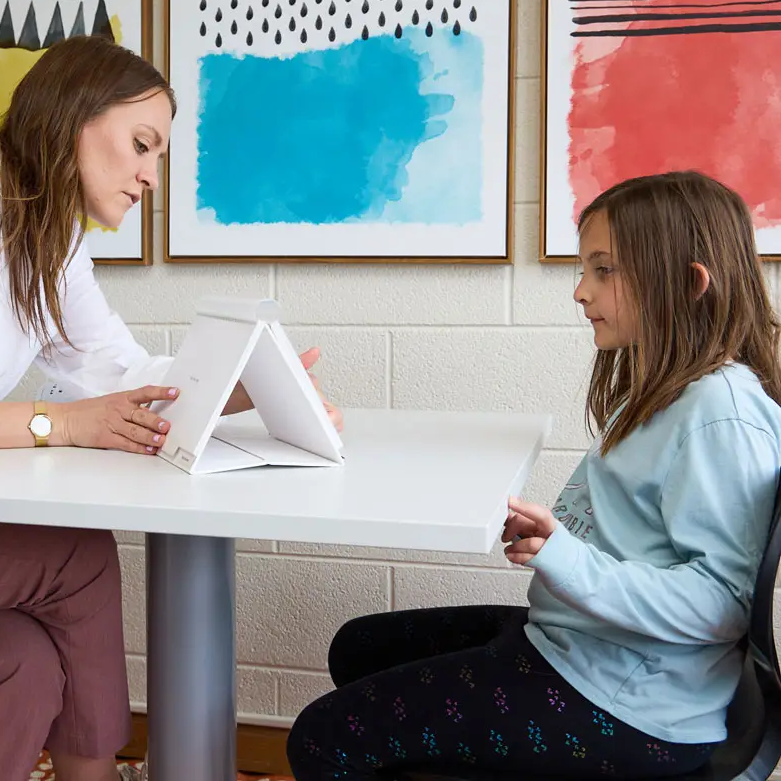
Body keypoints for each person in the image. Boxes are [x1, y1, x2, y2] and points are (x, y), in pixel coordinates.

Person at [0, 36, 341, 781]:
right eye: (141, 144)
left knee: (19, 662)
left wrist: (250, 386)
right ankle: (93, 775)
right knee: (72, 551)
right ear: (74, 117)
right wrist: (58, 423)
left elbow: (122, 370)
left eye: (158, 157)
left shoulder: (50, 239)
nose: (149, 174)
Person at [287, 170, 781, 780]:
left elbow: (721, 606)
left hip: (635, 701)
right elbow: (628, 534)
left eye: (604, 270)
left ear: (687, 284)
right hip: (584, 644)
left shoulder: (719, 414)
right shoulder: (665, 392)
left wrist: (566, 558)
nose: (580, 291)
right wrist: (550, 539)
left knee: (323, 737)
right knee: (358, 646)